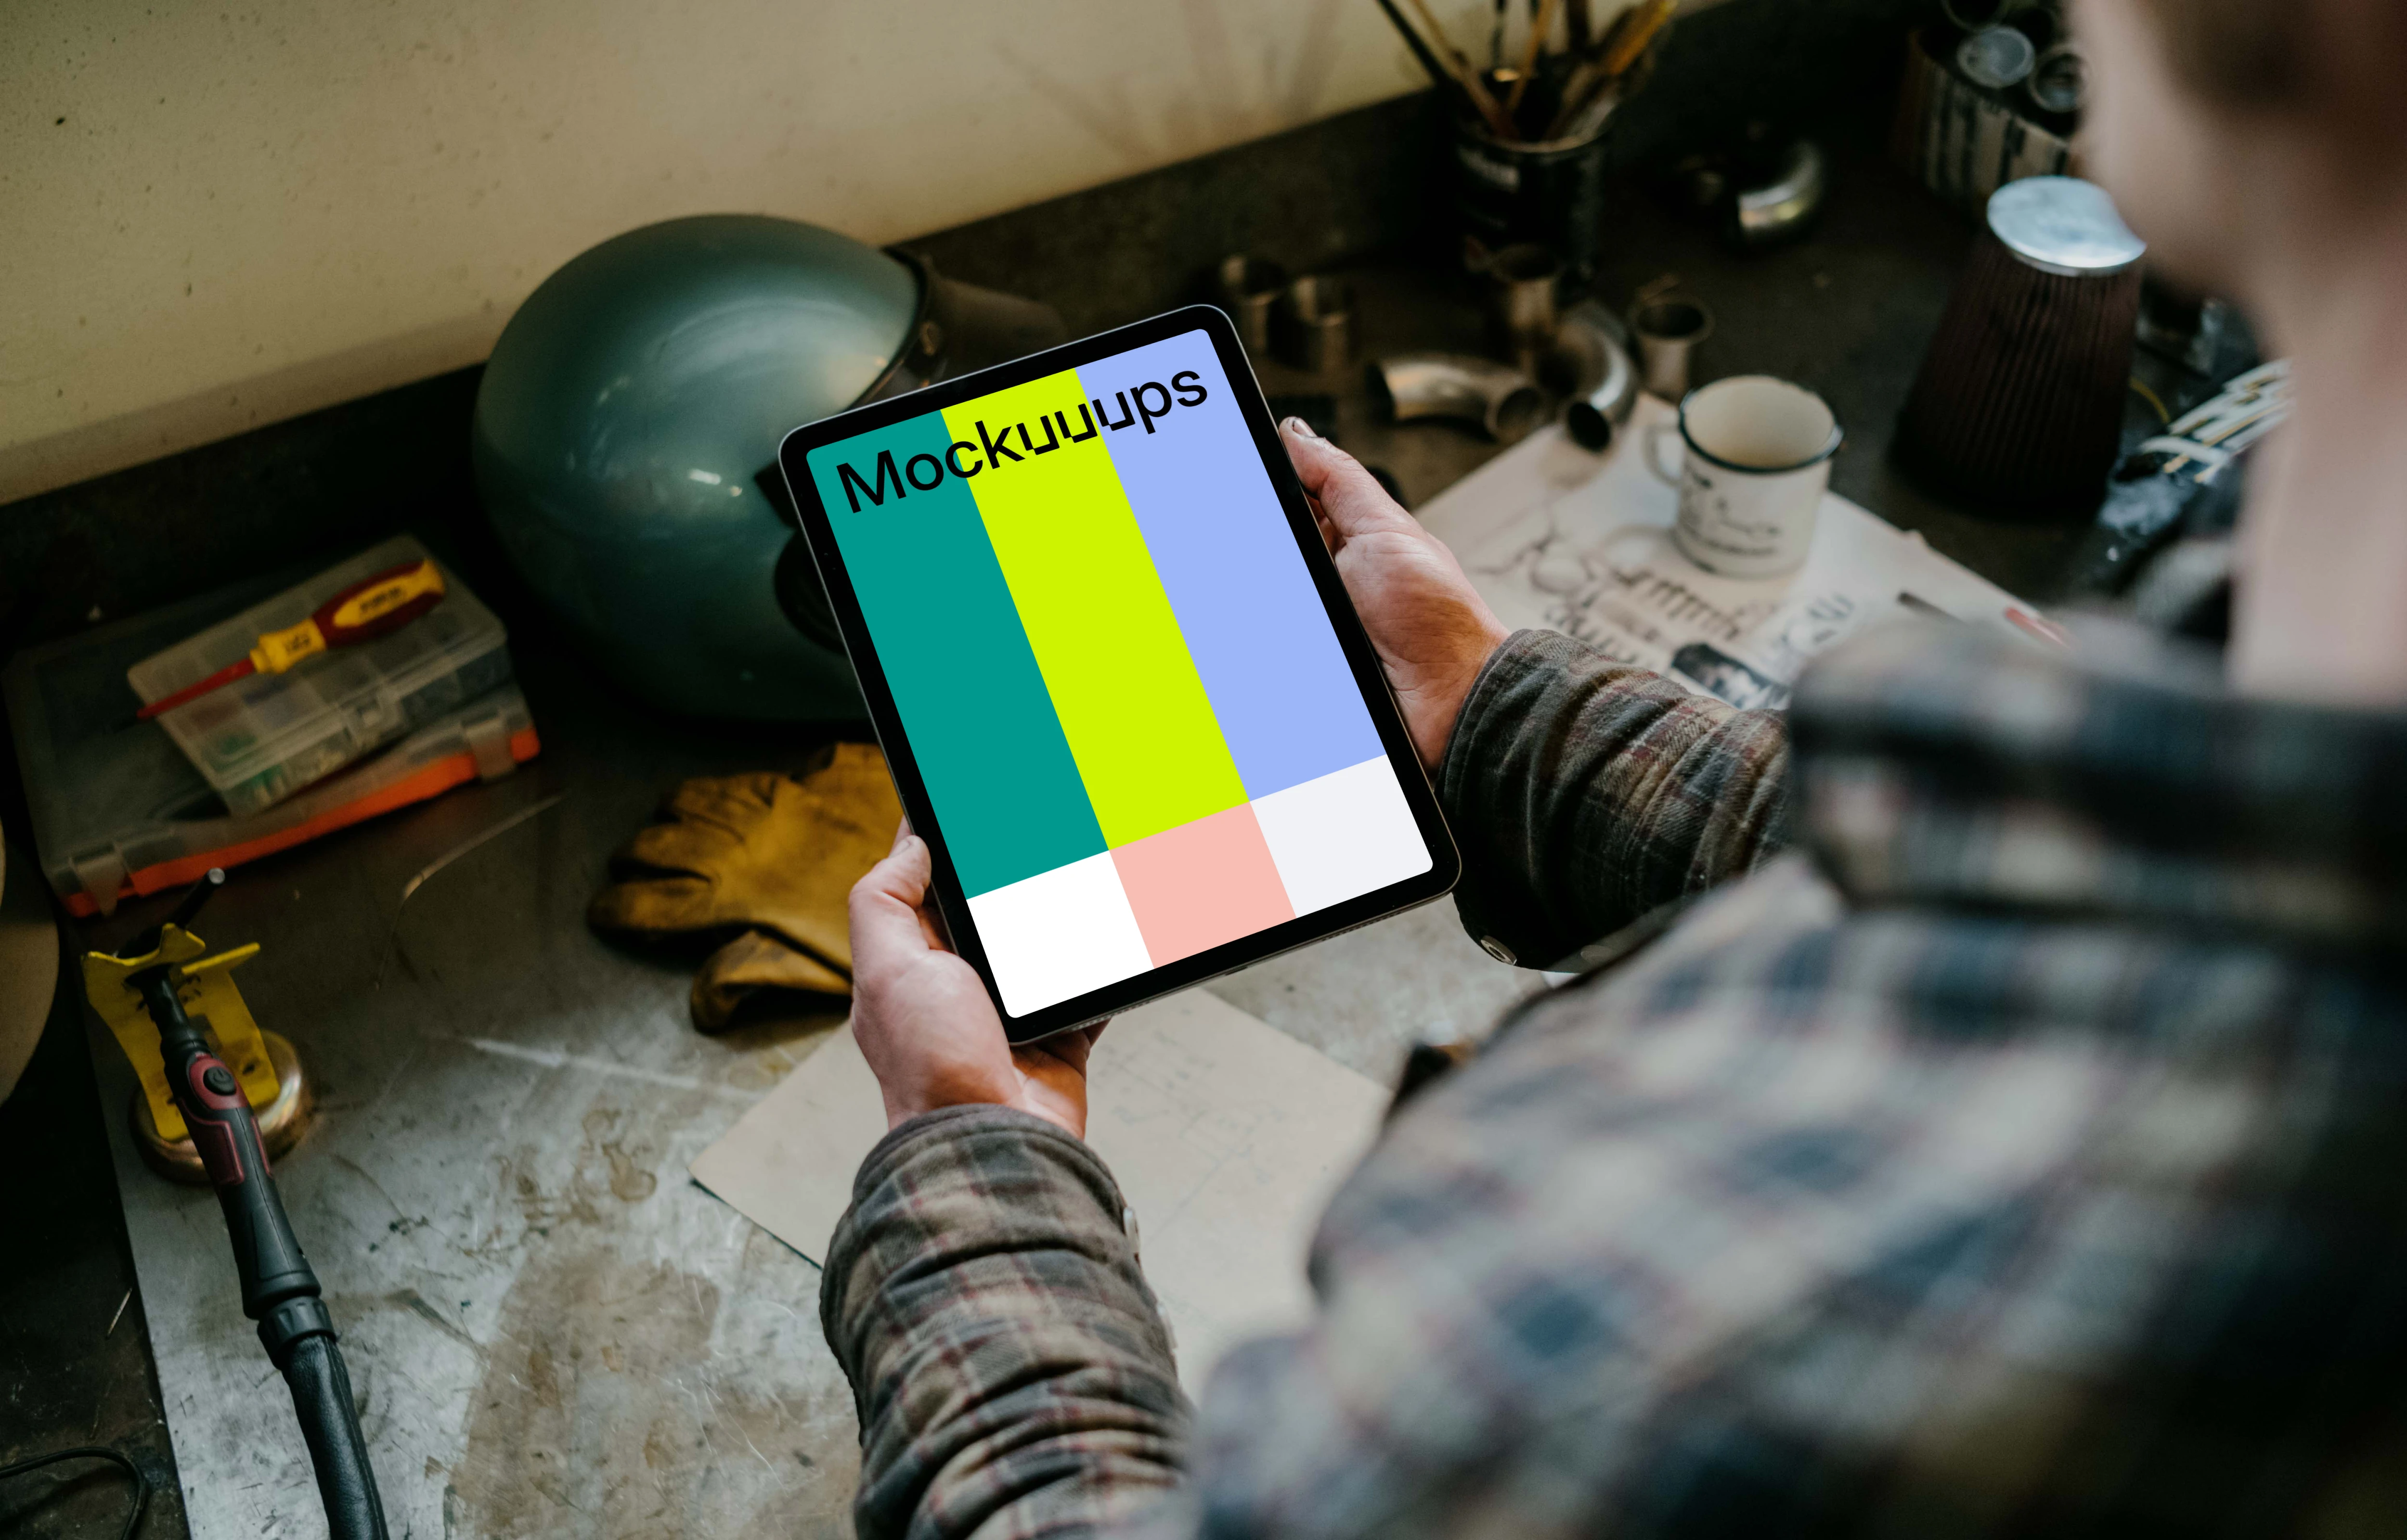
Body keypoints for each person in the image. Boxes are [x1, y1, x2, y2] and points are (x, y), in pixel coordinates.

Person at [822, 0, 2407, 1531]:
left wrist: (973, 1157)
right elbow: (2069, 907)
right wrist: (1492, 709)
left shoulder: (1652, 1358)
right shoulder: (2295, 589)